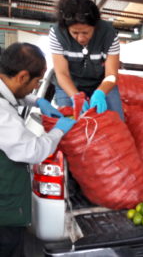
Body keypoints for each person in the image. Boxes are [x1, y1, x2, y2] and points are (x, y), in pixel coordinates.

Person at [0, 42, 76, 257]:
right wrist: (58, 132)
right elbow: (32, 150)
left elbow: (14, 95)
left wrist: (38, 100)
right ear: (23, 77)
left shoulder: (6, 90)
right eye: (37, 82)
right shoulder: (3, 114)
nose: (36, 86)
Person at [49, 0, 124, 121]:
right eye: (75, 33)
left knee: (117, 120)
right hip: (69, 84)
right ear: (67, 28)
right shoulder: (57, 34)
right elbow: (62, 73)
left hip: (101, 84)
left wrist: (100, 92)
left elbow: (111, 74)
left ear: (95, 26)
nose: (81, 39)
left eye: (86, 32)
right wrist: (75, 96)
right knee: (67, 124)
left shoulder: (110, 35)